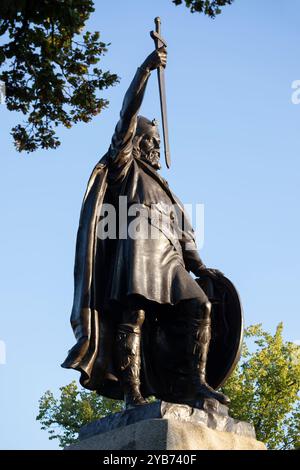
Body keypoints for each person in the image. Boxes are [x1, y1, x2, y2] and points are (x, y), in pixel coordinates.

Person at [62, 47, 230, 409]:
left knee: (200, 305)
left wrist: (199, 265)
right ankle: (132, 393)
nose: (155, 146)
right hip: (136, 255)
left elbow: (185, 234)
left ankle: (195, 383)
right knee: (133, 316)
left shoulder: (166, 188)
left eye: (156, 141)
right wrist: (145, 70)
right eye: (149, 140)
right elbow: (127, 114)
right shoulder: (125, 167)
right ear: (135, 143)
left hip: (170, 260)